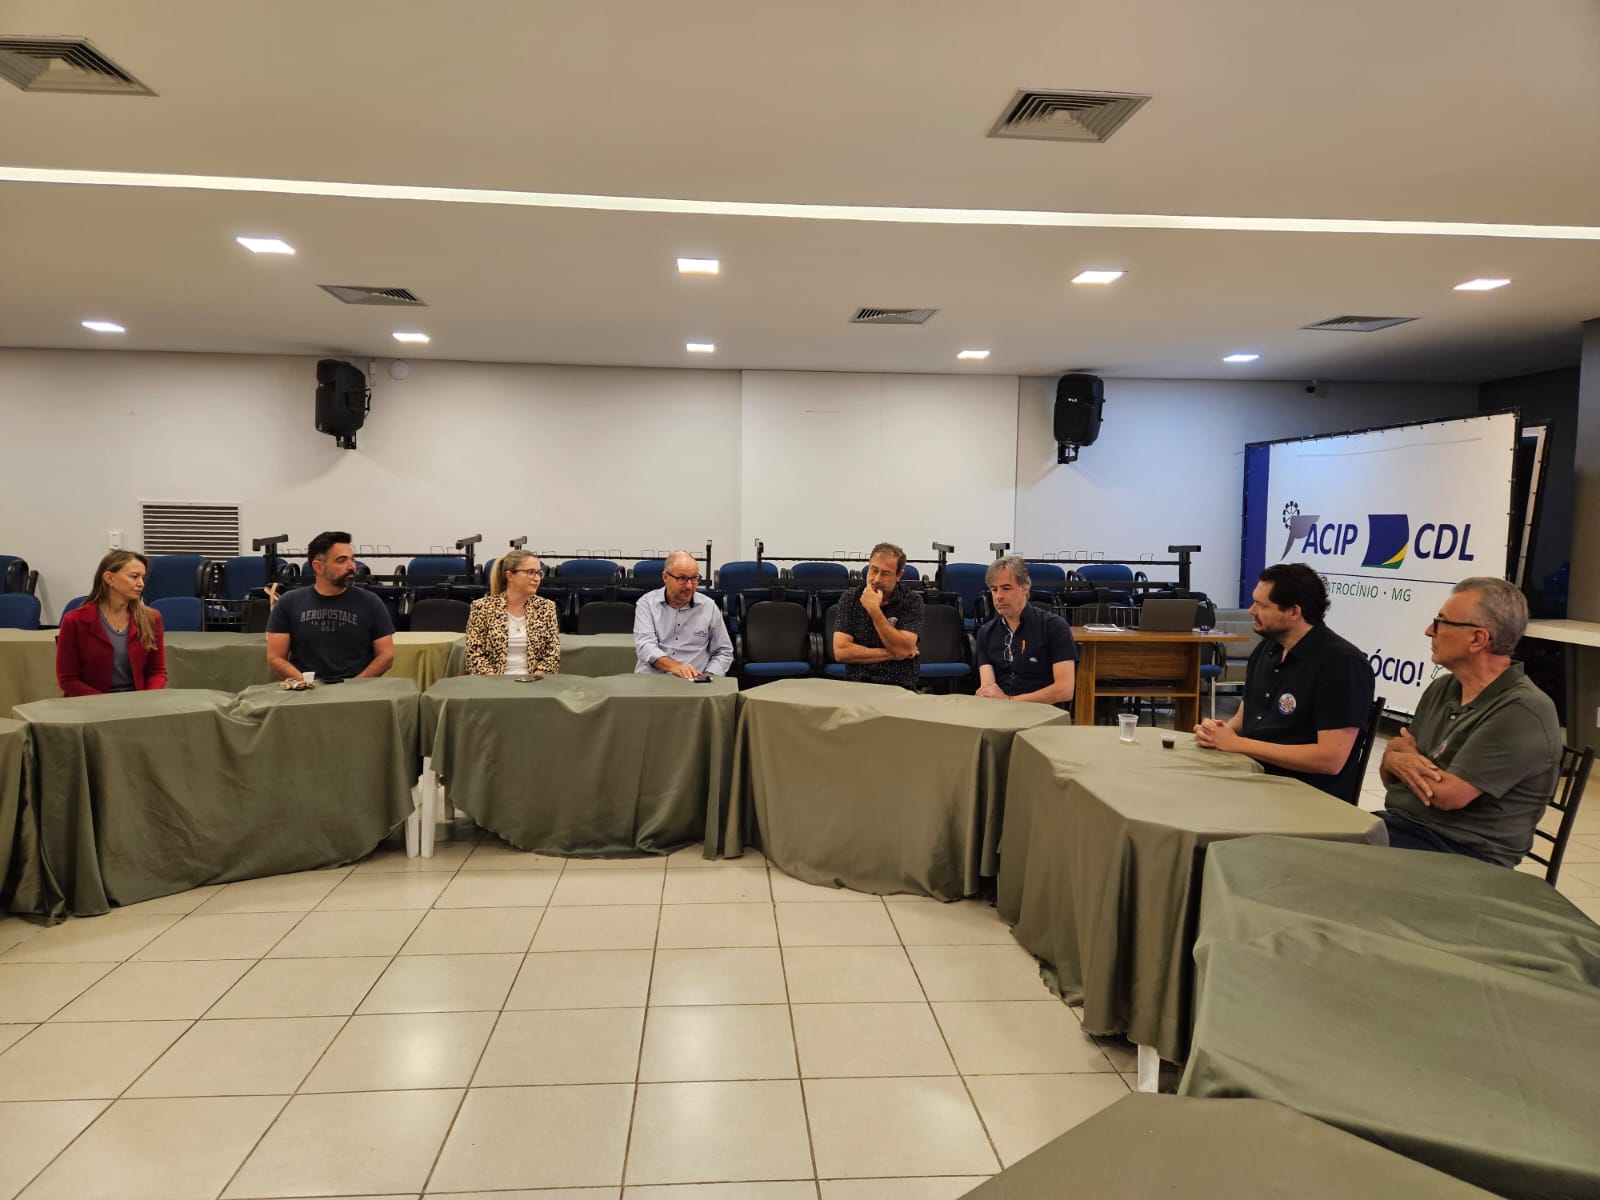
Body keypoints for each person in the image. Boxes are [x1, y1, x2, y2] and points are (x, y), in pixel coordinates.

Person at [1378, 577, 1561, 865]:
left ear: (1477, 639)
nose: (1429, 631)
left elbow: (1447, 795)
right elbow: (1391, 777)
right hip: (1404, 827)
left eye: (1441, 622)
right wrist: (1394, 759)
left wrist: (1402, 757)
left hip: (1462, 853)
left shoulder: (1523, 710)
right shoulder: (1443, 688)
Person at [1195, 562, 1374, 799]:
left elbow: (1330, 759)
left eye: (1262, 605)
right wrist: (1218, 733)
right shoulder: (1267, 649)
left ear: (1293, 612)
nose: (1251, 611)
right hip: (1253, 777)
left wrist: (1238, 744)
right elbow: (1245, 717)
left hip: (1304, 795)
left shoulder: (1342, 664)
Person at [266, 531, 395, 683]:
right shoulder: (288, 602)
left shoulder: (371, 602)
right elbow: (275, 658)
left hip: (357, 688)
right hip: (306, 689)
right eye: (342, 560)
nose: (351, 566)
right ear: (318, 567)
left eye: (352, 559)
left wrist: (355, 685)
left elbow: (386, 655)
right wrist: (305, 683)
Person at [56, 550, 168, 695]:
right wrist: (108, 704)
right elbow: (68, 680)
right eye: (134, 576)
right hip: (92, 703)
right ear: (109, 578)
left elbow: (157, 672)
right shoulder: (74, 621)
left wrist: (146, 699)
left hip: (138, 701)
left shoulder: (151, 618)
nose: (141, 584)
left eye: (143, 578)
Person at [974, 556, 1077, 705]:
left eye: (1006, 588)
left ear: (1025, 589)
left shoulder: (1054, 627)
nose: (998, 596)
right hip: (1000, 710)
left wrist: (1011, 701)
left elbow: (1065, 690)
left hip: (1042, 711)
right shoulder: (986, 632)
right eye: (994, 589)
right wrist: (994, 698)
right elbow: (988, 687)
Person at [834, 541, 923, 689]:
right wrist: (892, 654)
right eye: (873, 570)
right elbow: (841, 652)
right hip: (858, 684)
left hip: (899, 684)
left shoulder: (911, 600)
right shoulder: (850, 598)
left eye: (885, 574)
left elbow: (903, 649)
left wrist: (874, 610)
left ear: (899, 575)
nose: (876, 579)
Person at [634, 550, 734, 678]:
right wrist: (675, 667)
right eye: (682, 578)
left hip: (694, 682)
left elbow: (723, 651)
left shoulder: (709, 607)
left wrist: (707, 676)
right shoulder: (647, 604)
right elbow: (645, 646)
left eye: (694, 578)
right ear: (665, 578)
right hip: (653, 679)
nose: (689, 586)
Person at [464, 549, 560, 675]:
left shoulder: (546, 607)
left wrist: (535, 679)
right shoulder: (482, 607)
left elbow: (552, 654)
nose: (537, 578)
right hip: (492, 681)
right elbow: (473, 654)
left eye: (539, 573)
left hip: (534, 681)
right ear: (510, 576)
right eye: (530, 572)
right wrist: (495, 681)